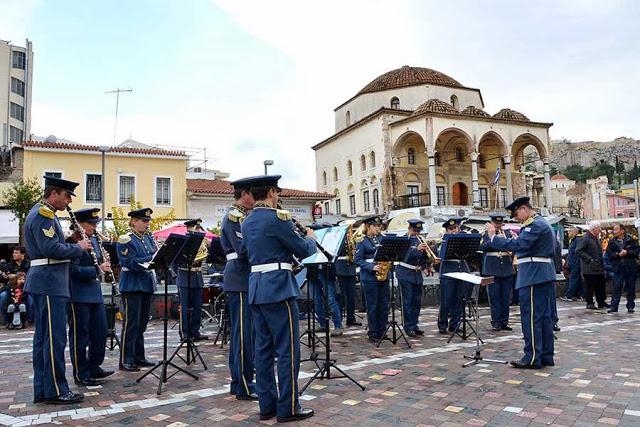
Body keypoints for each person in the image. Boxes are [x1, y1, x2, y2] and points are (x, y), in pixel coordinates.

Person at [241, 174, 317, 422]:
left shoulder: (247, 221)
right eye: (278, 192)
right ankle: (289, 407)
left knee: (263, 351)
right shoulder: (278, 219)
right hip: (278, 288)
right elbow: (303, 250)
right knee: (287, 350)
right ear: (272, 192)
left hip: (256, 288)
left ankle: (267, 405)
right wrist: (311, 239)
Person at [24, 176, 90, 404]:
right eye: (67, 195)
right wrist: (78, 247)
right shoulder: (44, 215)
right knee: (54, 339)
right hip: (50, 282)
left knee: (43, 339)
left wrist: (70, 239)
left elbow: (50, 246)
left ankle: (43, 389)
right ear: (54, 194)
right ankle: (56, 390)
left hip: (47, 282)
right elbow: (50, 249)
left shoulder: (43, 213)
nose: (69, 201)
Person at [486, 196, 555, 369]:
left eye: (517, 213)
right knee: (543, 317)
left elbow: (520, 245)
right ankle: (546, 354)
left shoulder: (535, 225)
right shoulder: (538, 223)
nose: (516, 217)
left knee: (531, 317)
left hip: (533, 274)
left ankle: (532, 357)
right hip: (540, 273)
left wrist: (494, 238)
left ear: (524, 208)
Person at [66, 208, 114, 386]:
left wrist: (105, 264)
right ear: (79, 224)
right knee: (80, 336)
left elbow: (100, 265)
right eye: (91, 223)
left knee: (100, 332)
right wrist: (97, 269)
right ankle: (81, 372)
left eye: (96, 223)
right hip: (78, 295)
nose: (95, 226)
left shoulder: (94, 240)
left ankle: (94, 365)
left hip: (95, 294)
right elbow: (72, 270)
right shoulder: (72, 242)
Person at [220, 176, 257, 401]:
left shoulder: (244, 217)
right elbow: (243, 250)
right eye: (254, 194)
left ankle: (239, 382)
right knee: (243, 336)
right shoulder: (235, 217)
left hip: (244, 278)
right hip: (240, 278)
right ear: (244, 194)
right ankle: (243, 384)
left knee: (243, 334)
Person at [117, 208, 157, 372]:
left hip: (146, 283)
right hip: (132, 284)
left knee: (142, 323)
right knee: (131, 324)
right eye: (144, 221)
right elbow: (130, 262)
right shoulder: (126, 239)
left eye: (148, 221)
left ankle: (139, 357)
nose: (147, 224)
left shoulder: (147, 238)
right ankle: (126, 359)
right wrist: (152, 259)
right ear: (134, 222)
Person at [354, 215, 390, 342]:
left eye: (379, 226)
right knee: (373, 305)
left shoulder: (382, 238)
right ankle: (373, 332)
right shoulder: (361, 240)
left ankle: (382, 330)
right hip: (370, 277)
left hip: (383, 276)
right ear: (368, 226)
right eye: (375, 226)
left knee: (384, 305)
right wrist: (371, 267)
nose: (377, 228)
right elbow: (357, 260)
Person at [478, 214, 515, 332]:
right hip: (492, 267)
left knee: (506, 296)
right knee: (494, 296)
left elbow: (512, 247)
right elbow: (481, 247)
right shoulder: (484, 234)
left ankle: (505, 321)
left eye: (500, 223)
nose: (498, 225)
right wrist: (493, 239)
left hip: (506, 268)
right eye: (496, 223)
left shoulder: (508, 233)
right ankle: (496, 321)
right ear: (491, 223)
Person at [177, 218, 209, 342]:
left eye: (199, 228)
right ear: (189, 228)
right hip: (185, 276)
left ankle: (195, 331)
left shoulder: (202, 242)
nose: (198, 230)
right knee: (184, 307)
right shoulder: (184, 241)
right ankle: (184, 333)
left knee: (197, 306)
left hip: (197, 276)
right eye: (196, 228)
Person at [396, 219, 429, 337]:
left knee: (416, 301)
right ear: (409, 228)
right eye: (415, 230)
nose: (417, 233)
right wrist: (417, 249)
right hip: (405, 273)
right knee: (407, 301)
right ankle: (408, 326)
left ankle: (415, 324)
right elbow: (403, 255)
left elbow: (423, 258)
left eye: (419, 231)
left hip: (416, 274)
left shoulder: (420, 239)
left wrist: (426, 257)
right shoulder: (404, 240)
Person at [437, 217, 470, 334]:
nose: (454, 231)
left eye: (455, 228)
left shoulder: (463, 240)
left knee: (459, 300)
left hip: (461, 272)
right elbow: (440, 256)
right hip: (448, 273)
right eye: (451, 229)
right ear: (446, 231)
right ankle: (442, 324)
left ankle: (454, 324)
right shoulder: (442, 241)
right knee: (446, 301)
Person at [575, 221, 609, 310]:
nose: (600, 230)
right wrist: (590, 259)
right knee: (589, 286)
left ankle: (601, 302)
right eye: (599, 228)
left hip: (599, 267)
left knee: (600, 285)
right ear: (594, 229)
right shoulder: (585, 239)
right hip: (589, 268)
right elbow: (578, 251)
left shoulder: (596, 238)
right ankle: (589, 302)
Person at [606, 224, 638, 314]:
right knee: (617, 287)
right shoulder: (612, 242)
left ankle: (630, 306)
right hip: (618, 267)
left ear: (622, 231)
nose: (614, 231)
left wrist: (627, 252)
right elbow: (609, 253)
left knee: (630, 287)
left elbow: (636, 252)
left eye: (616, 230)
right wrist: (617, 254)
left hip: (630, 267)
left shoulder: (631, 240)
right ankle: (614, 306)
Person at [335, 223, 361, 328]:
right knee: (341, 296)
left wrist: (355, 251)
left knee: (351, 296)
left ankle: (351, 318)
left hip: (351, 269)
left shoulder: (352, 239)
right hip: (340, 269)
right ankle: (339, 318)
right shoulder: (338, 238)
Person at [0, 246, 32, 327]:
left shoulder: (29, 264)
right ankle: (7, 320)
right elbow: (3, 279)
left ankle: (29, 320)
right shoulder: (9, 265)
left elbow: (31, 277)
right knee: (3, 296)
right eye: (13, 252)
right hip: (11, 290)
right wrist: (4, 276)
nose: (14, 254)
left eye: (16, 253)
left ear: (23, 254)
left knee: (31, 298)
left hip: (26, 289)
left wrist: (16, 276)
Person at [560, 227, 585, 301]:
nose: (568, 233)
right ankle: (583, 295)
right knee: (579, 280)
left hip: (575, 264)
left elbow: (578, 252)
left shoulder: (577, 240)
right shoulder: (573, 240)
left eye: (570, 231)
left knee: (573, 279)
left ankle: (568, 295)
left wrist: (575, 263)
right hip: (573, 264)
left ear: (575, 232)